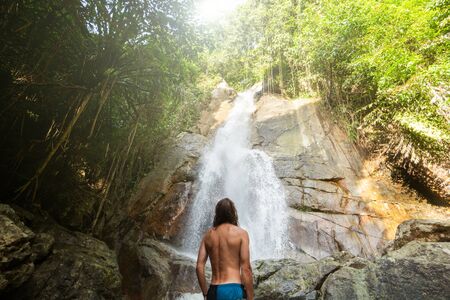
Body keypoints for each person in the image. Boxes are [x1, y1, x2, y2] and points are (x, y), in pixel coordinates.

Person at [196, 198, 254, 300]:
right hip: (232, 289)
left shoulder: (208, 235)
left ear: (217, 214)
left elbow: (199, 267)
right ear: (233, 213)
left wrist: (205, 293)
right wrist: (250, 297)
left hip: (213, 290)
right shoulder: (241, 234)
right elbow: (246, 269)